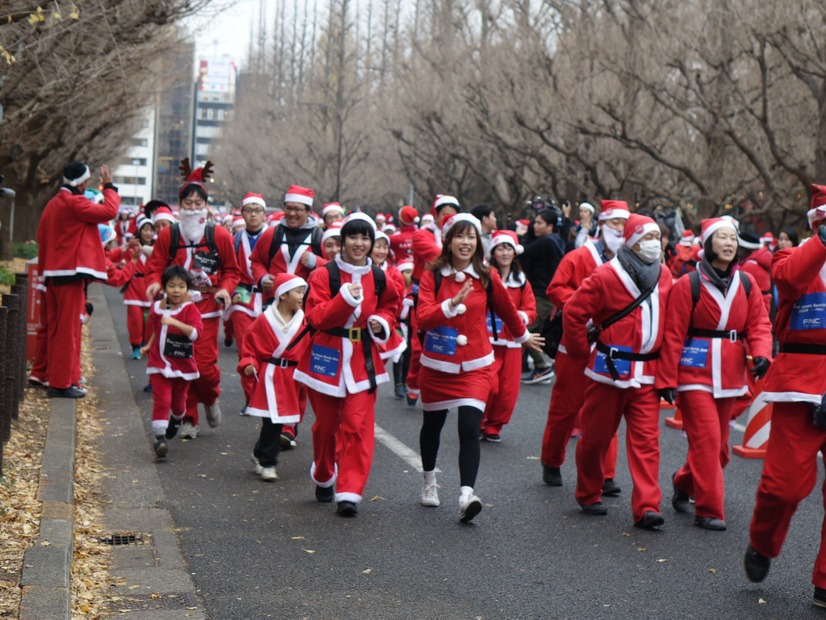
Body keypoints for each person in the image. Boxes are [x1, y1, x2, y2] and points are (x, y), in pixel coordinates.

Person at [416, 214, 543, 522]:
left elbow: (508, 311)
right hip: (437, 365)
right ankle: (429, 481)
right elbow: (422, 317)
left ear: (478, 242)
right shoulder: (432, 275)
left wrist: (524, 338)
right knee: (432, 427)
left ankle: (466, 494)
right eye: (459, 236)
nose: (465, 242)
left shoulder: (486, 277)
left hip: (475, 365)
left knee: (470, 427)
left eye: (471, 237)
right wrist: (449, 305)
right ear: (448, 240)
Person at [656, 218, 772, 531]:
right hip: (694, 372)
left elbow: (759, 324)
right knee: (707, 442)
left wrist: (762, 353)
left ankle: (683, 482)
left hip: (732, 374)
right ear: (708, 244)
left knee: (719, 451)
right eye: (722, 237)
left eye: (732, 238)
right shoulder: (688, 284)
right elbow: (673, 334)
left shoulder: (746, 283)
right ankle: (708, 510)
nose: (729, 243)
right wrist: (666, 380)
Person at [744, 185, 826, 607]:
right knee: (785, 487)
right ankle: (762, 541)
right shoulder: (788, 257)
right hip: (799, 381)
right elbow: (789, 281)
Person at [564, 213, 672, 529]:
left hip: (648, 372)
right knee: (596, 437)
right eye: (647, 238)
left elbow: (673, 323)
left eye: (657, 238)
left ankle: (647, 506)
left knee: (647, 442)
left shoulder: (665, 275)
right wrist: (582, 353)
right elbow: (573, 312)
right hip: (609, 369)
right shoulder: (605, 275)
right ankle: (588, 491)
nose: (654, 245)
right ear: (633, 241)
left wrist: (668, 373)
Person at [293, 213, 400, 517]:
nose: (359, 243)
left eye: (365, 238)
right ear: (341, 242)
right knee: (326, 427)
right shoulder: (323, 276)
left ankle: (349, 492)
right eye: (353, 237)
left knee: (356, 426)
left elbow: (391, 306)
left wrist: (382, 322)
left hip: (363, 360)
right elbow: (316, 317)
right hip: (325, 360)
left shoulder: (380, 277)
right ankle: (324, 472)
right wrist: (345, 299)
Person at [145, 159, 241, 439]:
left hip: (207, 310)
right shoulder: (168, 234)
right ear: (180, 205)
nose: (194, 207)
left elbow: (232, 270)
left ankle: (210, 398)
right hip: (174, 309)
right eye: (189, 202)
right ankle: (189, 418)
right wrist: (153, 284)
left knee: (206, 368)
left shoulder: (218, 234)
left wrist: (225, 289)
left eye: (199, 202)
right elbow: (155, 267)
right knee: (180, 364)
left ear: (206, 206)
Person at [540, 201, 630, 490]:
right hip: (575, 341)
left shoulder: (633, 261)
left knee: (609, 410)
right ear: (601, 225)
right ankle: (552, 460)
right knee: (565, 409)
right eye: (614, 223)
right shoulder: (579, 256)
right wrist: (584, 306)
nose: (620, 229)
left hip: (612, 346)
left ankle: (605, 474)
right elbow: (555, 289)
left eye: (624, 224)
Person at [37, 162, 120, 398]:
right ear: (82, 183)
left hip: (52, 273)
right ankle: (62, 384)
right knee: (67, 331)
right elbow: (109, 211)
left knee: (56, 329)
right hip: (69, 273)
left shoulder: (53, 203)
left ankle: (58, 378)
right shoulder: (76, 202)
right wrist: (109, 186)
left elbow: (40, 235)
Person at [238, 274, 310, 482]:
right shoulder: (264, 320)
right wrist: (249, 364)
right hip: (269, 375)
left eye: (303, 292)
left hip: (291, 378)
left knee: (276, 421)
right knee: (273, 421)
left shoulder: (304, 322)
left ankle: (259, 452)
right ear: (283, 295)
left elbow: (310, 347)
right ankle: (269, 462)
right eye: (298, 292)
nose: (301, 297)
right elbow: (249, 345)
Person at [140, 265, 203, 460]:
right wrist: (148, 345)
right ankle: (159, 438)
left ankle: (177, 419)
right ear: (164, 287)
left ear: (187, 288)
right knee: (162, 399)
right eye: (172, 286)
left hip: (182, 364)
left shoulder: (190, 309)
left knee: (177, 403)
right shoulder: (157, 307)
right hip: (159, 362)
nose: (176, 290)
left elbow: (196, 334)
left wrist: (175, 323)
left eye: (181, 286)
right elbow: (156, 329)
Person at [481, 230, 536, 442]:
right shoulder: (485, 277)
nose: (505, 253)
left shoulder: (521, 281)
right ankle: (480, 418)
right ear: (493, 252)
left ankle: (494, 425)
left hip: (513, 342)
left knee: (508, 390)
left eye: (508, 248)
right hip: (486, 339)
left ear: (515, 253)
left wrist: (521, 317)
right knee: (489, 384)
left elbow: (531, 309)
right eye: (500, 248)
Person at [407, 195, 461, 405]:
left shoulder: (461, 237)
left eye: (453, 215)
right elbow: (436, 255)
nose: (449, 218)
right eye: (445, 214)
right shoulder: (422, 235)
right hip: (423, 293)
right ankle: (413, 382)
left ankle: (440, 387)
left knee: (447, 341)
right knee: (419, 346)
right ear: (436, 216)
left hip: (451, 296)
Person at [225, 192, 269, 413]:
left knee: (267, 351)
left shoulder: (272, 237)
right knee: (246, 350)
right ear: (242, 214)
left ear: (264, 214)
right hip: (243, 297)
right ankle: (251, 398)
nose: (253, 215)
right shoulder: (234, 239)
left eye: (257, 210)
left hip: (269, 298)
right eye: (249, 210)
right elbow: (228, 269)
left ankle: (267, 397)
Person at [520, 208, 563, 384]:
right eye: (534, 222)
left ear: (550, 226)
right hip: (545, 294)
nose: (534, 226)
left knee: (525, 331)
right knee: (535, 331)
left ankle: (542, 365)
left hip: (541, 295)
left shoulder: (546, 242)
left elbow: (522, 252)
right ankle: (542, 365)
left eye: (539, 223)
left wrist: (520, 236)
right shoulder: (555, 240)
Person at [123, 217, 156, 359]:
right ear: (140, 231)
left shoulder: (158, 248)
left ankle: (146, 345)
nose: (148, 233)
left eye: (151, 230)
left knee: (149, 321)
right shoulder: (133, 247)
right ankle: (136, 345)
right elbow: (121, 257)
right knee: (135, 320)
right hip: (134, 287)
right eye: (145, 229)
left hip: (151, 288)